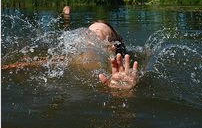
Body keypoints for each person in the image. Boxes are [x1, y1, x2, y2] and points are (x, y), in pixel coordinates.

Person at [2, 20, 138, 90]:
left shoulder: (117, 71)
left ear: (111, 48)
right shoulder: (68, 59)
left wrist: (121, 90)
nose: (85, 35)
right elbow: (31, 65)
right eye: (86, 32)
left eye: (95, 34)